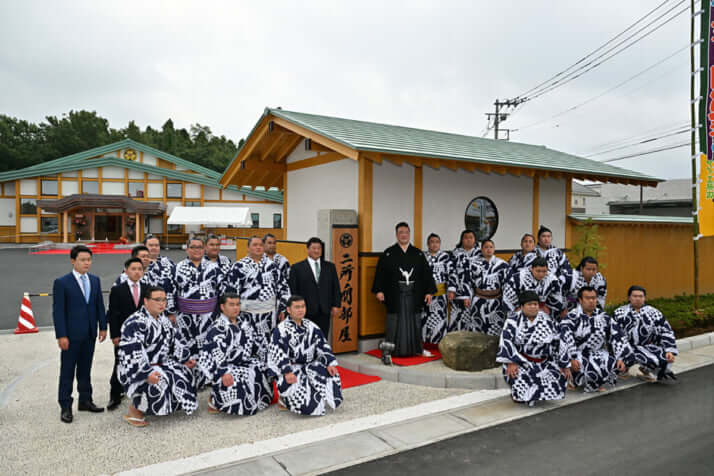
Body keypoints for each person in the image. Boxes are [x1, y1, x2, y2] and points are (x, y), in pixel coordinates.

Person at [118, 286, 198, 427]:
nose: (162, 303)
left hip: (163, 362)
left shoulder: (164, 320)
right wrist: (146, 373)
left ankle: (169, 406)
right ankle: (135, 410)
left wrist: (185, 359)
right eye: (157, 300)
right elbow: (131, 353)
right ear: (146, 301)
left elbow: (176, 341)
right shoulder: (135, 322)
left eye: (164, 300)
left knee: (184, 373)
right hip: (138, 368)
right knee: (158, 382)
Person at [52, 245, 108, 423]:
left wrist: (103, 326)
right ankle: (65, 406)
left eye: (89, 260)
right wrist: (61, 335)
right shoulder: (62, 282)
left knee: (85, 370)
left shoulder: (94, 280)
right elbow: (58, 311)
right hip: (71, 336)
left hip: (90, 333)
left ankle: (85, 400)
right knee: (67, 371)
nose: (86, 263)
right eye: (83, 260)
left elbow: (99, 305)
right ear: (73, 261)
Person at [198, 293, 273, 415]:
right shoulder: (217, 328)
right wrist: (223, 372)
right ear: (222, 307)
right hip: (226, 368)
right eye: (231, 305)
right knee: (237, 391)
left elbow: (257, 343)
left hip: (244, 362)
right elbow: (214, 355)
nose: (236, 308)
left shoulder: (244, 323)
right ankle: (215, 399)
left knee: (261, 368)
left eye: (238, 304)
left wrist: (270, 358)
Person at [267, 295, 342, 416]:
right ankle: (285, 398)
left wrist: (329, 362)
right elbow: (277, 353)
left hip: (309, 365)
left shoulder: (311, 326)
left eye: (302, 306)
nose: (300, 310)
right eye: (296, 307)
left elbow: (323, 345)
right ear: (288, 310)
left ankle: (315, 393)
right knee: (308, 406)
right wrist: (287, 371)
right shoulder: (280, 330)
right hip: (290, 370)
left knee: (331, 372)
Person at [372, 222, 436, 360]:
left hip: (414, 294)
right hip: (395, 294)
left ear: (409, 234)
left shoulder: (418, 253)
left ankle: (415, 349)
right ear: (396, 235)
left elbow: (426, 275)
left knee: (415, 322)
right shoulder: (388, 253)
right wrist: (379, 290)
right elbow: (380, 274)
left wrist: (429, 292)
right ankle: (390, 351)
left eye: (406, 232)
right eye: (400, 232)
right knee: (393, 322)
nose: (403, 235)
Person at [165, 237, 223, 387]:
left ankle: (207, 377)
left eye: (199, 247)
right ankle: (188, 378)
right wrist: (170, 312)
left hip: (209, 316)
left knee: (208, 346)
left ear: (204, 249)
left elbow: (221, 291)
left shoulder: (214, 268)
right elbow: (170, 291)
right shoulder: (177, 267)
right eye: (193, 247)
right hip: (185, 316)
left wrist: (221, 313)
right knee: (186, 346)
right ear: (187, 249)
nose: (197, 250)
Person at [496, 291, 568, 407]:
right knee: (522, 382)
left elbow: (559, 341)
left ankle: (540, 393)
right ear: (521, 306)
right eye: (530, 304)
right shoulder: (513, 321)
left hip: (543, 362)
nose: (533, 307)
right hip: (521, 362)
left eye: (535, 304)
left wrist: (563, 363)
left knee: (558, 378)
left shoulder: (547, 320)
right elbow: (506, 342)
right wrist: (511, 362)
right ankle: (521, 393)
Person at [222, 236, 291, 352]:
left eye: (260, 245)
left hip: (269, 314)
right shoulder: (239, 266)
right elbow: (231, 291)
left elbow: (283, 288)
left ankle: (266, 367)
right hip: (246, 314)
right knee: (245, 342)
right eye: (255, 245)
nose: (258, 247)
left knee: (268, 344)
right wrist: (232, 311)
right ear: (248, 248)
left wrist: (283, 309)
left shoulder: (273, 266)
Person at [558, 287, 631, 392]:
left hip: (597, 352)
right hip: (577, 353)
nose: (591, 301)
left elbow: (617, 335)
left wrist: (620, 357)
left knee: (612, 363)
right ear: (580, 300)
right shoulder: (571, 317)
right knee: (585, 366)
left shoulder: (603, 317)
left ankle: (596, 382)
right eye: (587, 298)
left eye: (593, 298)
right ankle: (575, 379)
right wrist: (570, 359)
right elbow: (564, 339)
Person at [106, 257, 148, 411]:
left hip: (143, 335)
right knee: (120, 363)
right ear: (126, 270)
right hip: (123, 336)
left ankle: (141, 395)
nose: (137, 272)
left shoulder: (148, 289)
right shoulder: (118, 290)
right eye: (133, 269)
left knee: (143, 363)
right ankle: (115, 395)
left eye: (140, 269)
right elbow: (113, 314)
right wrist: (115, 335)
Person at [613, 285, 678, 383]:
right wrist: (620, 354)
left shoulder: (653, 312)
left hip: (647, 345)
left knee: (665, 357)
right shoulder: (619, 313)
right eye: (635, 296)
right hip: (626, 346)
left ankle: (646, 370)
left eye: (641, 296)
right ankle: (623, 369)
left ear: (644, 298)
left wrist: (669, 350)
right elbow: (615, 335)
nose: (638, 299)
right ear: (629, 298)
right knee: (627, 353)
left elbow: (666, 330)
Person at [288, 237, 341, 338]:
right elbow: (293, 290)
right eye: (314, 248)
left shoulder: (330, 267)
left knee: (323, 337)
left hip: (325, 309)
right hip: (305, 310)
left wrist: (336, 305)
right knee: (306, 337)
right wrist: (296, 308)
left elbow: (336, 287)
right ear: (308, 249)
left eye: (319, 248)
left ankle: (321, 354)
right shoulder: (297, 268)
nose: (316, 251)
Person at [447, 230, 483, 332]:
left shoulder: (480, 253)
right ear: (462, 239)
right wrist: (452, 289)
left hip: (475, 292)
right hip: (458, 290)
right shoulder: (455, 253)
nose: (468, 239)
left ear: (475, 240)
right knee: (457, 319)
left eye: (471, 237)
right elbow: (451, 270)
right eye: (466, 237)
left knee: (473, 318)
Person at [473, 239, 509, 336]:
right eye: (486, 247)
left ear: (494, 249)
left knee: (496, 325)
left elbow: (507, 284)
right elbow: (468, 282)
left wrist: (506, 301)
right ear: (481, 249)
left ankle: (495, 349)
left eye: (491, 247)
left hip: (496, 299)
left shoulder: (502, 264)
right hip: (479, 299)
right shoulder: (473, 263)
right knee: (478, 325)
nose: (488, 249)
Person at [422, 233, 452, 343]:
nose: (434, 244)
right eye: (432, 242)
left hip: (440, 294)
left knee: (439, 318)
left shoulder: (446, 257)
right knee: (425, 318)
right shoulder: (422, 256)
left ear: (440, 244)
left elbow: (451, 274)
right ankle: (425, 342)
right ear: (428, 244)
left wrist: (451, 290)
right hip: (425, 294)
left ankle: (439, 343)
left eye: (437, 242)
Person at [264, 233, 291, 328]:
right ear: (263, 244)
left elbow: (287, 285)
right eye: (269, 243)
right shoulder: (258, 261)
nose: (272, 245)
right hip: (262, 304)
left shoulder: (283, 261)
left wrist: (284, 308)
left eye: (274, 243)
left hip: (279, 303)